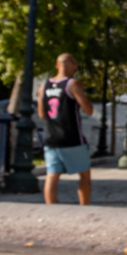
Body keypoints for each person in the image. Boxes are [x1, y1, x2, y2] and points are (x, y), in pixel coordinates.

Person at [40, 53, 95, 205]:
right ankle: (85, 207)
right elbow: (88, 110)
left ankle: (50, 208)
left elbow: (42, 114)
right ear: (73, 66)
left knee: (52, 175)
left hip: (51, 137)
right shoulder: (72, 84)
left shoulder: (44, 85)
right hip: (72, 137)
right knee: (84, 174)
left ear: (56, 66)